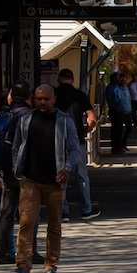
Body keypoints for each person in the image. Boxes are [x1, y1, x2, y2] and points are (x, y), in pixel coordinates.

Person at [10, 84, 80, 273]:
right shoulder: (25, 120)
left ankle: (51, 265)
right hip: (30, 180)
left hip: (55, 182)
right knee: (26, 223)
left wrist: (67, 169)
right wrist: (18, 170)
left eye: (46, 99)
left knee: (54, 225)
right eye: (39, 99)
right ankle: (23, 266)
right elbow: (16, 146)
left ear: (54, 99)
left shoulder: (64, 122)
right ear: (33, 99)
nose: (42, 103)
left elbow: (74, 149)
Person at [0, 81, 34, 265]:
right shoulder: (30, 116)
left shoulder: (1, 116)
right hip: (27, 171)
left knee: (6, 212)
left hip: (6, 170)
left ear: (11, 96)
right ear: (29, 97)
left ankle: (1, 251)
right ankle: (29, 251)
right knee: (29, 213)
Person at [54, 68, 101, 221]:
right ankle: (86, 210)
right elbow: (92, 118)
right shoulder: (79, 95)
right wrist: (85, 131)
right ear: (72, 80)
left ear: (59, 79)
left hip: (57, 141)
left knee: (61, 175)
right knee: (81, 175)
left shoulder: (53, 95)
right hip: (77, 141)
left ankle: (63, 212)